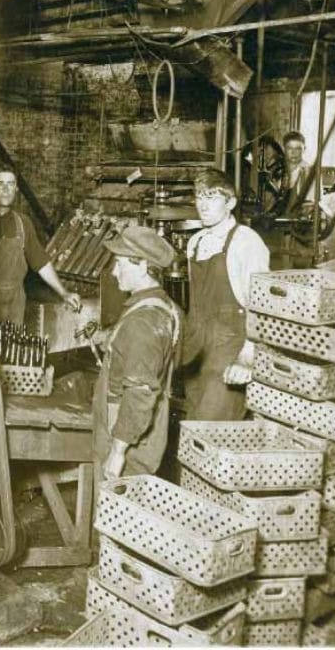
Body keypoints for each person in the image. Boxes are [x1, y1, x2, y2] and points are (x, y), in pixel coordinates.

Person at [94, 225, 183, 480]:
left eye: (120, 263)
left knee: (115, 512)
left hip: (125, 436)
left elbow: (140, 391)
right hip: (144, 432)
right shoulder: (168, 307)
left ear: (143, 265)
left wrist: (117, 452)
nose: (113, 271)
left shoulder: (142, 323)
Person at [182, 168, 270, 421]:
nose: (203, 205)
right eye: (199, 197)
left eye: (212, 197)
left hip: (229, 345)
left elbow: (260, 305)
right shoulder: (195, 242)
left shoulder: (247, 242)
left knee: (212, 427)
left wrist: (247, 356)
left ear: (230, 202)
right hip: (197, 347)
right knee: (192, 425)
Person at [0, 169, 81, 324]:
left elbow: (41, 262)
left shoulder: (23, 223)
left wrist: (64, 293)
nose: (6, 189)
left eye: (10, 184)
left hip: (14, 305)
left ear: (16, 189)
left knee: (13, 347)